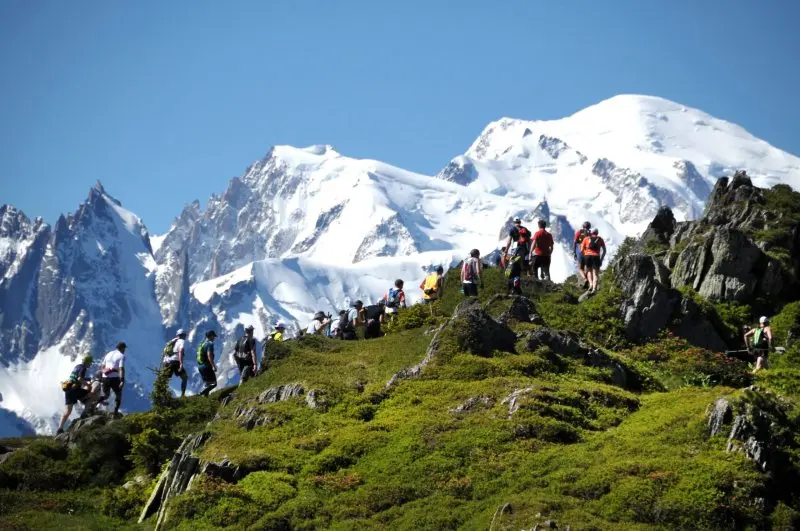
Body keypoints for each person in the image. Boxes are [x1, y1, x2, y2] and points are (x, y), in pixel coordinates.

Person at [56, 354, 94, 434]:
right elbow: (80, 378)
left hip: (68, 389)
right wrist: (88, 385)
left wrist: (87, 379)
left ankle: (59, 429)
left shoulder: (77, 366)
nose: (91, 364)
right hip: (75, 389)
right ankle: (85, 414)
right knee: (92, 395)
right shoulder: (83, 368)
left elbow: (75, 377)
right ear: (87, 362)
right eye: (90, 362)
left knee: (68, 411)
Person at [100, 342, 126, 415]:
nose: (124, 350)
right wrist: (122, 380)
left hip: (105, 377)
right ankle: (116, 411)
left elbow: (102, 366)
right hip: (114, 378)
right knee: (118, 395)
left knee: (106, 395)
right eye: (124, 349)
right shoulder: (121, 356)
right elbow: (121, 369)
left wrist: (105, 371)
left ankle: (94, 403)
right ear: (122, 348)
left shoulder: (108, 354)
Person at [162, 329, 188, 397]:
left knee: (164, 380)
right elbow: (181, 350)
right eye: (185, 335)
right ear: (183, 335)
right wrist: (181, 363)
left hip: (167, 362)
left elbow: (165, 351)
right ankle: (182, 395)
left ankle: (161, 395)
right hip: (175, 362)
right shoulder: (181, 341)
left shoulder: (171, 341)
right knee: (184, 377)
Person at [579, 228, 606, 293]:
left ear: (591, 232)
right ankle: (594, 289)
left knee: (588, 271)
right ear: (597, 233)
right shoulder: (600, 239)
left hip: (587, 256)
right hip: (596, 256)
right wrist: (601, 259)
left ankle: (590, 284)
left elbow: (582, 250)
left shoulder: (586, 238)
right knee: (595, 274)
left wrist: (584, 257)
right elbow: (604, 250)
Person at [196, 330, 218, 396]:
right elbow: (209, 356)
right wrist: (213, 366)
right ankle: (201, 393)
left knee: (208, 383)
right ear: (211, 336)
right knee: (214, 383)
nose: (214, 338)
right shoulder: (210, 344)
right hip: (207, 366)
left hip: (200, 367)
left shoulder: (203, 344)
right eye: (214, 336)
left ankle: (205, 398)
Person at [573, 221, 592, 288]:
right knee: (587, 267)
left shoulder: (579, 232)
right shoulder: (590, 234)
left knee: (580, 268)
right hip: (589, 252)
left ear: (583, 226)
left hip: (580, 252)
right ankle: (588, 280)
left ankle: (585, 279)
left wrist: (574, 252)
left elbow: (575, 242)